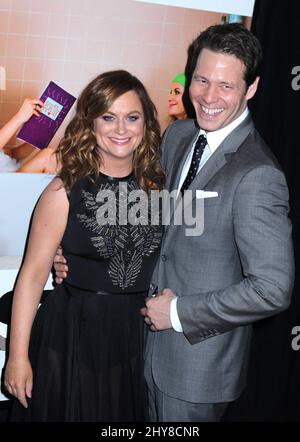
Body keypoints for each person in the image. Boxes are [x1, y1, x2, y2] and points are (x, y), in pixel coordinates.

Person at [53, 24, 294, 422]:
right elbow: (146, 220)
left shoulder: (257, 174)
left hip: (196, 369)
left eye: (226, 86)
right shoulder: (178, 135)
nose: (209, 97)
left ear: (251, 89)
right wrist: (76, 254)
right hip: (135, 346)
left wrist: (180, 312)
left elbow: (272, 289)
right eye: (201, 79)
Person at [4, 70, 164, 422]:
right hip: (71, 333)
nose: (120, 128)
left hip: (133, 337)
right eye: (108, 117)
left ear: (146, 124)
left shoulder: (160, 190)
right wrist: (17, 356)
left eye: (131, 117)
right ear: (90, 123)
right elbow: (31, 276)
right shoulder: (64, 191)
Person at [0, 98, 44, 172]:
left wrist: (38, 138)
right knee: (48, 157)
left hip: (13, 176)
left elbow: (12, 154)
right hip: (7, 182)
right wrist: (20, 117)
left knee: (50, 156)